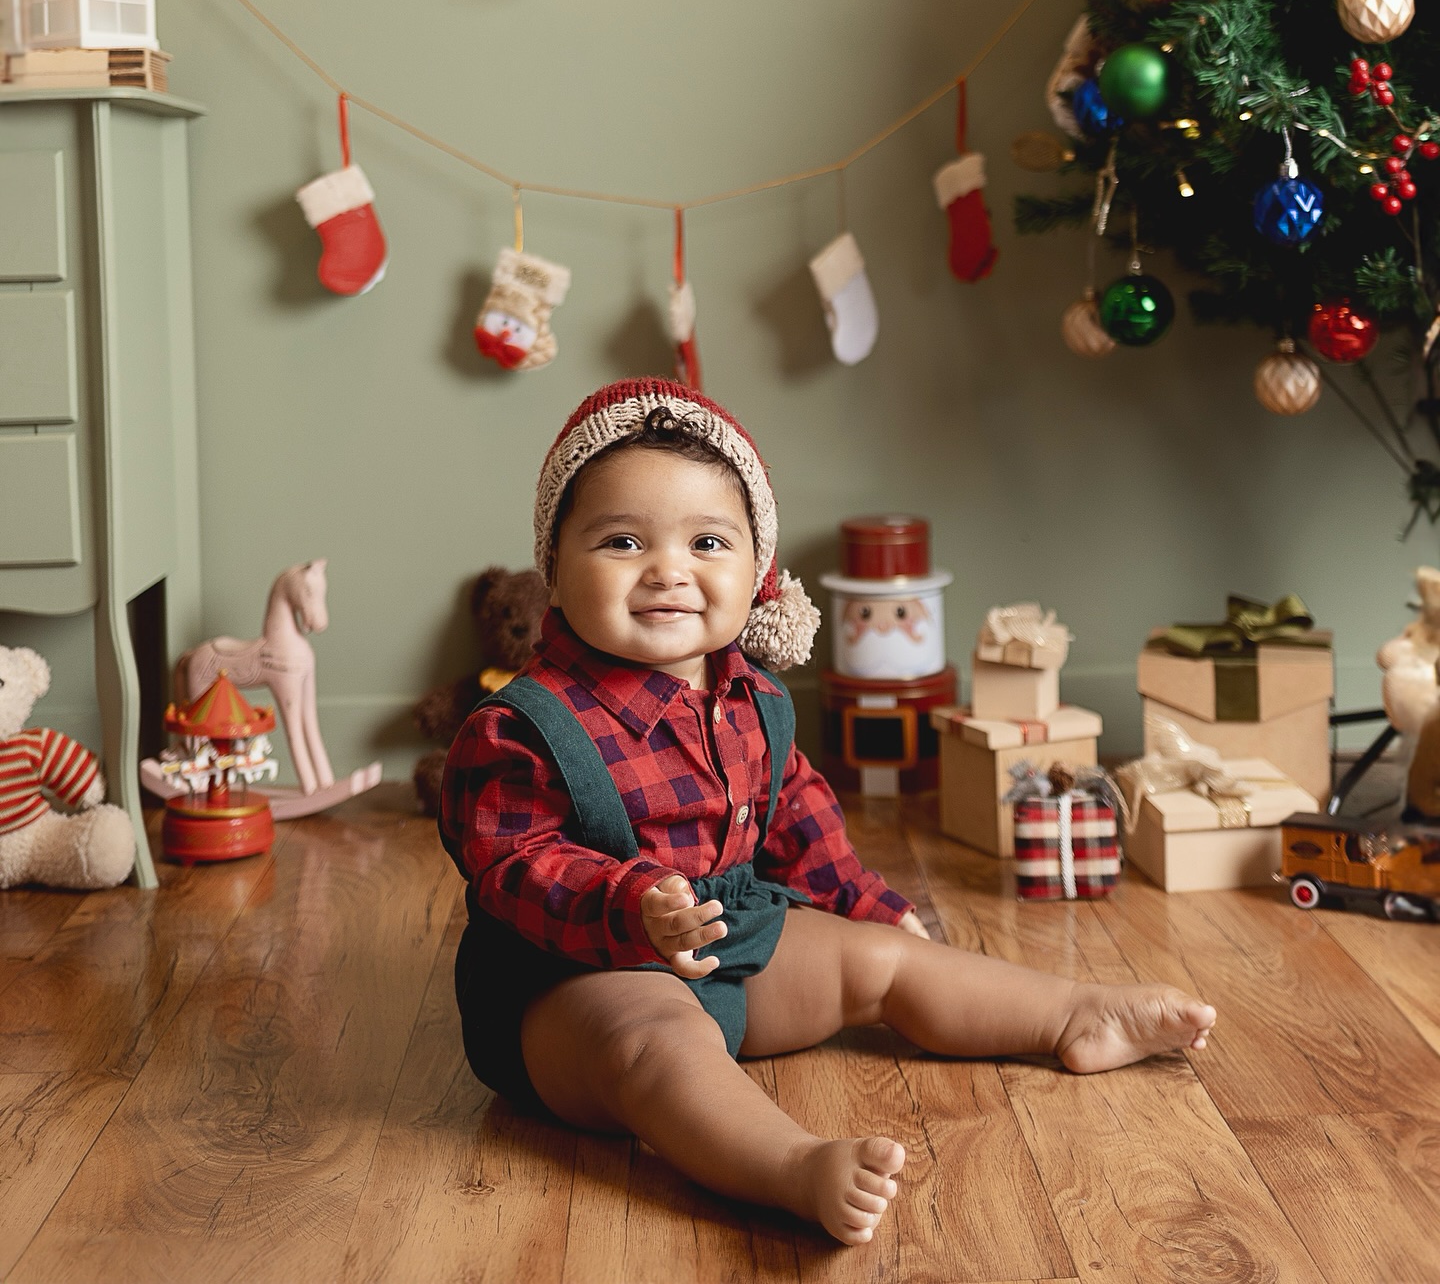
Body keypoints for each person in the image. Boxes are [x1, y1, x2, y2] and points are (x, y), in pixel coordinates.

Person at [440, 379, 1216, 1245]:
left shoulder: (754, 699)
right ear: (555, 566)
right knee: (654, 1041)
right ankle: (791, 1166)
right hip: (573, 982)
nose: (667, 569)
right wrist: (631, 905)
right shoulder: (523, 726)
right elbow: (513, 865)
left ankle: (1073, 1014)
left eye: (707, 542)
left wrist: (863, 904)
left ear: (756, 572)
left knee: (884, 961)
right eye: (622, 541)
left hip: (729, 938)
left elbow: (796, 818)